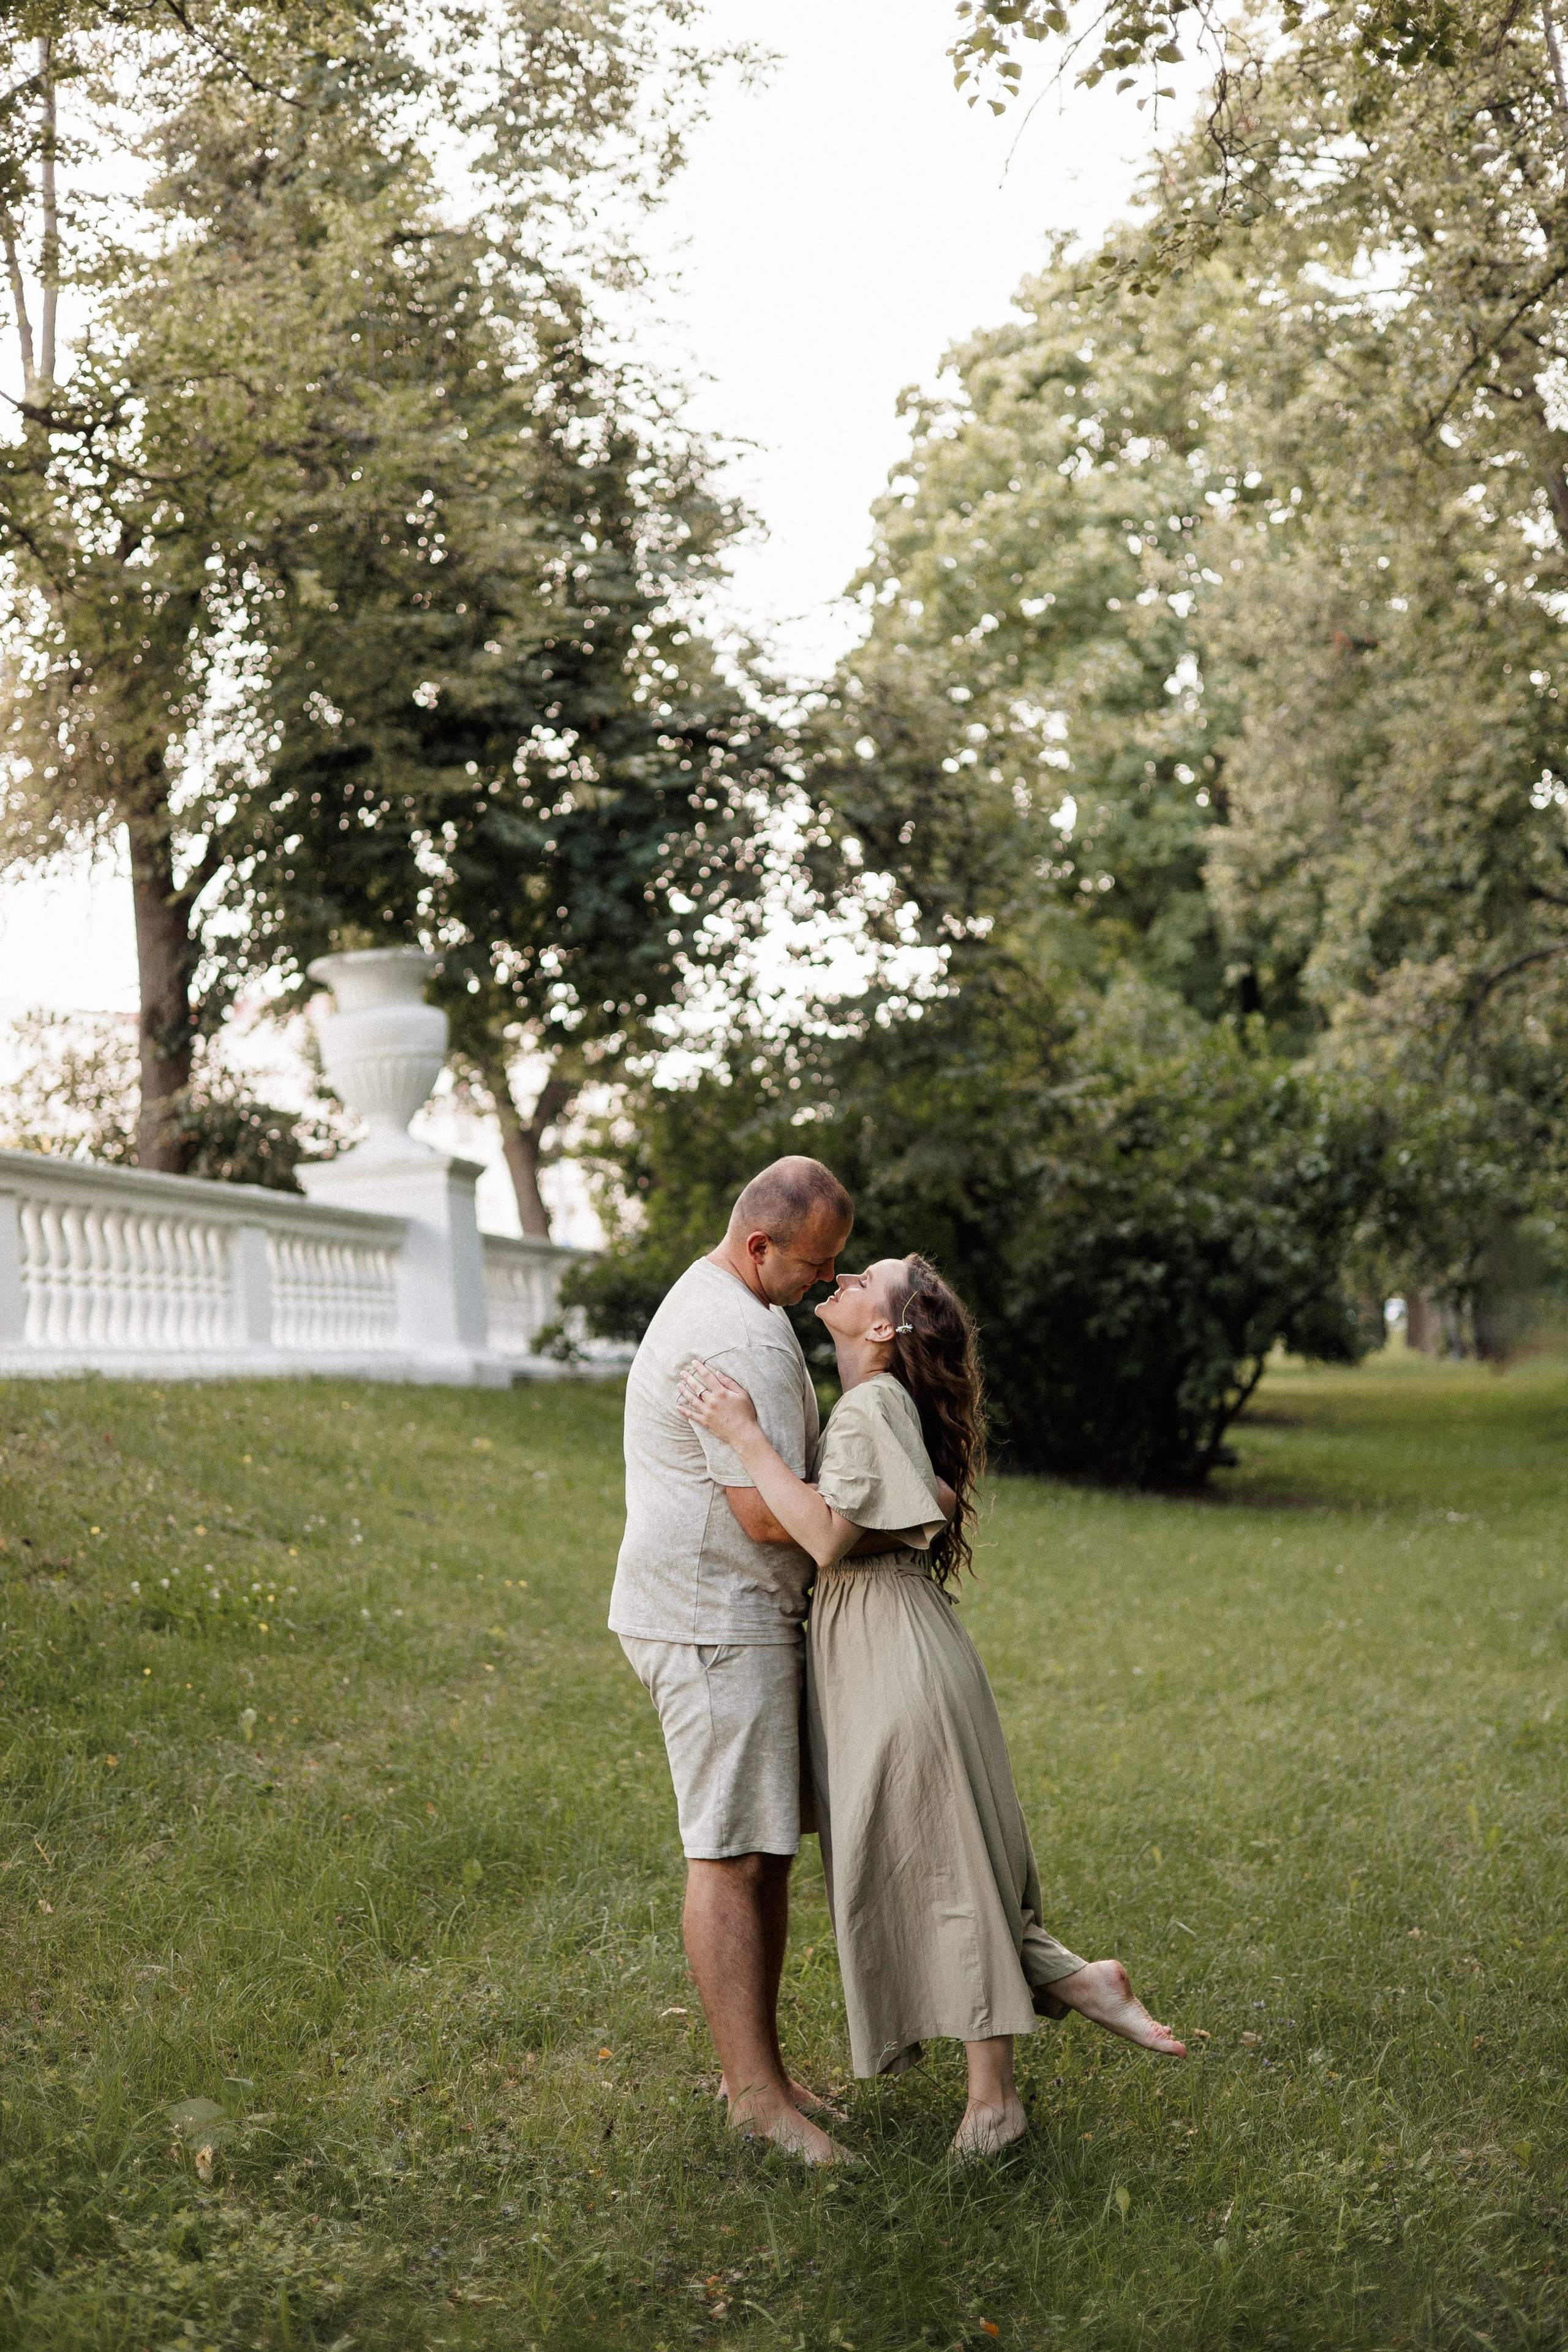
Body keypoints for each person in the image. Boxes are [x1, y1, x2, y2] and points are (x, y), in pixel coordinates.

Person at [679, 1253, 1186, 2158]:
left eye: (863, 1280)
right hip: (886, 1645)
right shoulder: (878, 1407)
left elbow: (825, 1536)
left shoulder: (871, 1406)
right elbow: (926, 1500)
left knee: (940, 1858)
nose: (842, 1278)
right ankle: (1071, 1985)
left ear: (882, 1328)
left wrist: (743, 1433)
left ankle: (998, 2102)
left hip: (892, 1654)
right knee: (934, 1854)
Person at [609, 1155, 857, 2163]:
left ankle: (761, 2075)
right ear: (760, 1246)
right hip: (712, 1615)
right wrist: (868, 1517)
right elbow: (762, 1515)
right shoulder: (733, 1332)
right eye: (816, 1264)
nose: (829, 1282)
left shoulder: (741, 1303)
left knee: (765, 1847)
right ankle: (754, 2101)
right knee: (730, 1852)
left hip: (738, 1612)